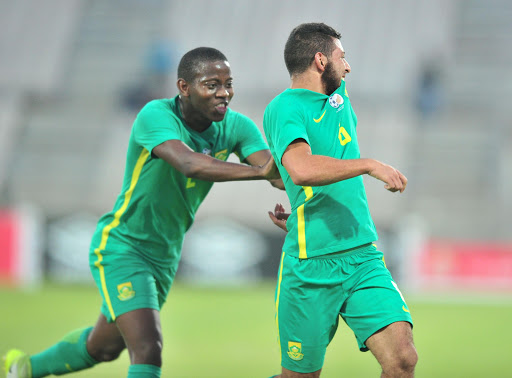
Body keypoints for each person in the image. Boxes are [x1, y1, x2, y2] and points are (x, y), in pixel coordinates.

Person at [4, 47, 280, 378]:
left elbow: (275, 171)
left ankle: (23, 369)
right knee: (148, 347)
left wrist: (304, 179)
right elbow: (189, 163)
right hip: (123, 245)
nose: (224, 93)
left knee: (103, 348)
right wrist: (258, 173)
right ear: (184, 87)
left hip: (164, 254)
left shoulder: (236, 126)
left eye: (228, 83)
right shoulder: (156, 115)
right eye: (212, 84)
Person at [264, 23, 418, 378]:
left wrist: (302, 207)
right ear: (320, 60)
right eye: (341, 58)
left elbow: (286, 171)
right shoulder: (284, 108)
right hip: (311, 265)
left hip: (362, 254)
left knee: (402, 359)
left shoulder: (337, 96)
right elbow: (300, 169)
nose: (347, 67)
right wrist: (369, 165)